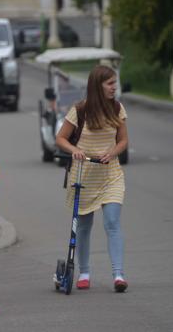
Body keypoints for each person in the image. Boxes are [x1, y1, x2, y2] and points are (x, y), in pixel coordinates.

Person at [56, 65, 129, 293]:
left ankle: (118, 275)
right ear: (97, 86)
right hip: (83, 175)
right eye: (109, 83)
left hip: (110, 175)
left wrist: (114, 152)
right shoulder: (80, 110)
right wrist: (74, 150)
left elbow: (123, 140)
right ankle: (84, 272)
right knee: (84, 227)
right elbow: (60, 139)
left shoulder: (117, 108)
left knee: (112, 223)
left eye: (114, 83)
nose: (114, 87)